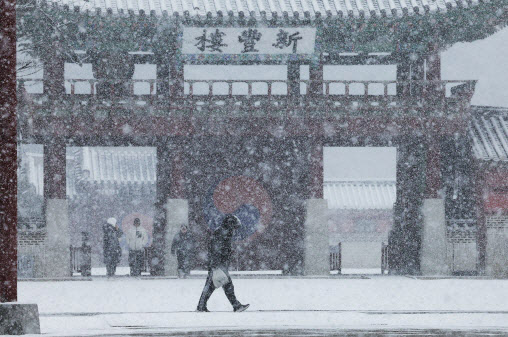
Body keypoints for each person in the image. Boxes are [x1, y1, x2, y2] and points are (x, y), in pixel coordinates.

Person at [197, 214, 249, 312]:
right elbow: (215, 250)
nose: (235, 230)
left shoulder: (223, 232)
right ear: (230, 225)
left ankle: (202, 306)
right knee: (217, 286)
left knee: (214, 286)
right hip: (217, 265)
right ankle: (236, 306)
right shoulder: (221, 233)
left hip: (219, 264)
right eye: (234, 227)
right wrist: (215, 265)